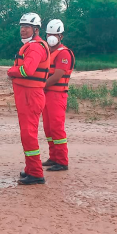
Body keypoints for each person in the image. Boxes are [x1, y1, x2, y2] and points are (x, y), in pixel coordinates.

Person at [7, 13, 51, 185]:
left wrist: (11, 72)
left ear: (36, 29)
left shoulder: (34, 47)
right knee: (27, 134)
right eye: (21, 26)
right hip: (28, 95)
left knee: (29, 134)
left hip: (30, 96)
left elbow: (28, 70)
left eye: (27, 27)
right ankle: (30, 169)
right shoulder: (33, 46)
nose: (23, 30)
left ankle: (36, 173)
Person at [42, 19, 75, 171]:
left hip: (57, 94)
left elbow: (57, 76)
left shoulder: (64, 54)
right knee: (48, 128)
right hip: (46, 94)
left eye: (54, 34)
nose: (51, 36)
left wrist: (40, 85)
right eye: (49, 33)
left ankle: (62, 161)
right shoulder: (48, 52)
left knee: (57, 128)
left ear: (61, 36)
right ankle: (53, 157)